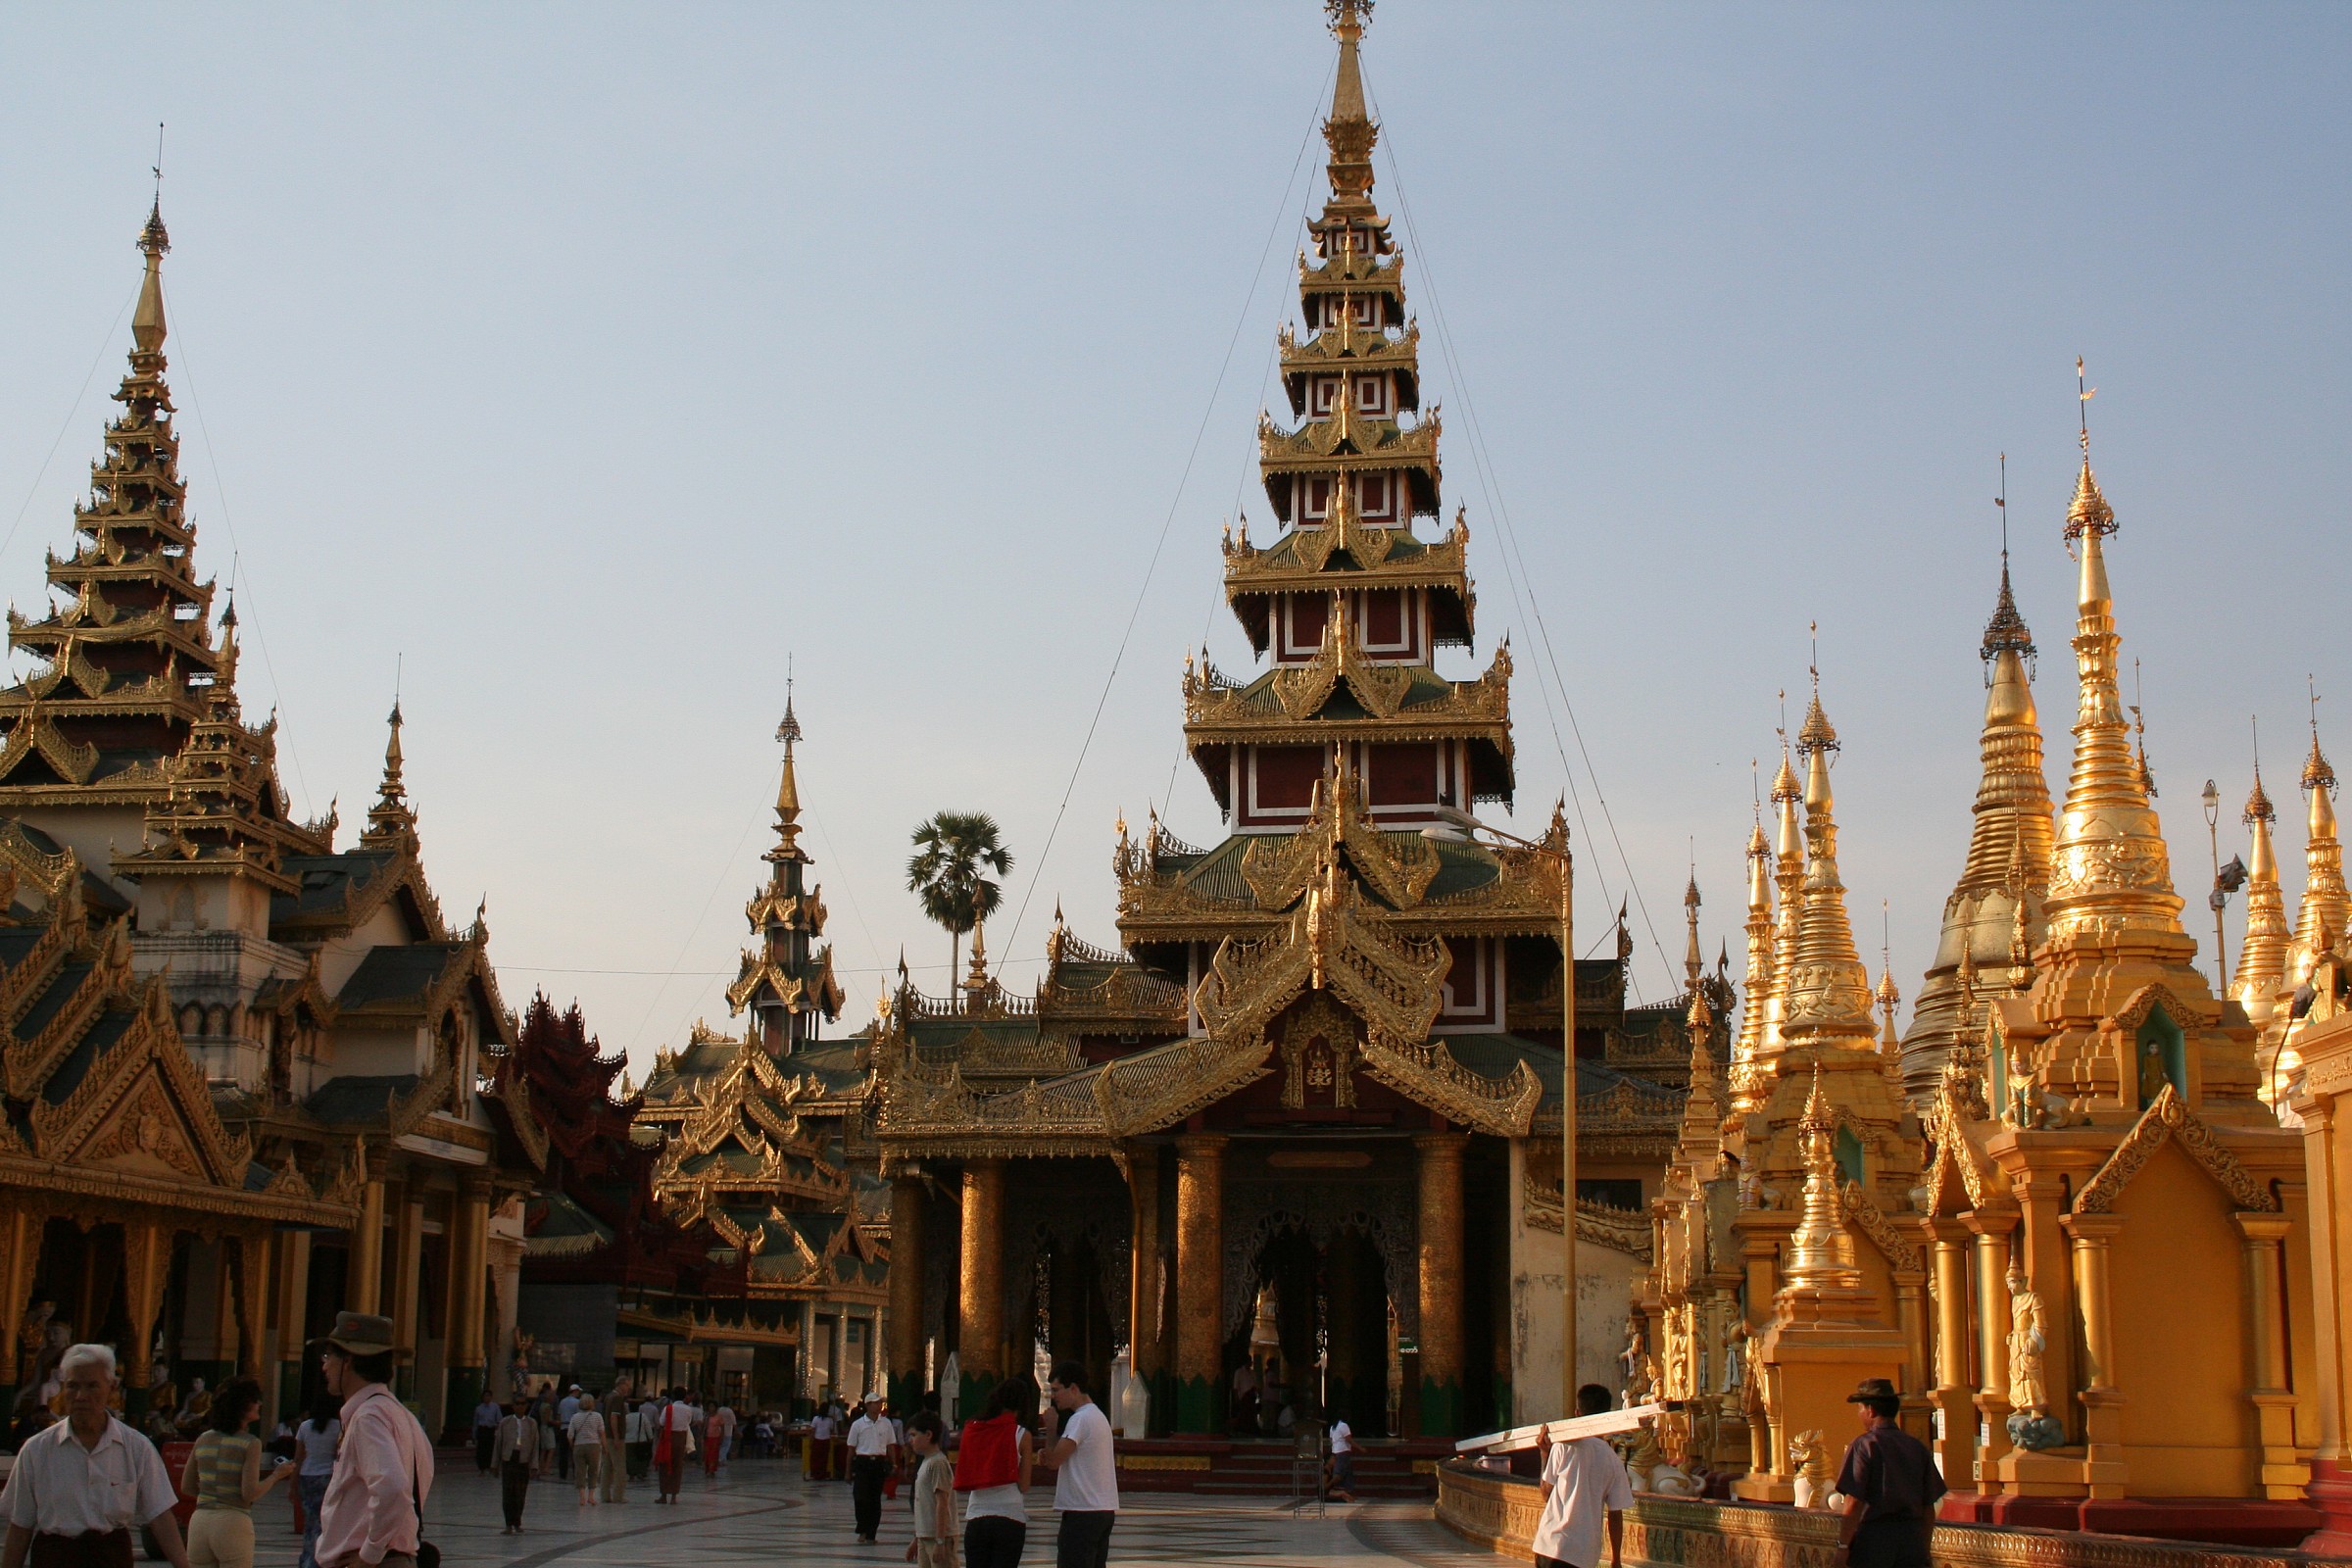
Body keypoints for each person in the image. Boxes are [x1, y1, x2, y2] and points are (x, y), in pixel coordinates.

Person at [0, 1343, 189, 1568]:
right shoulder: (37, 1449)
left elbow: (160, 1516)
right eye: (72, 1386)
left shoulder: (136, 1447)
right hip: (55, 1559)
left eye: (92, 1386)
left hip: (110, 1558)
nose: (81, 1396)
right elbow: (20, 1526)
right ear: (63, 1388)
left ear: (111, 1387)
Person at [312, 1312, 433, 1568]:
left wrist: (369, 1555)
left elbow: (393, 1487)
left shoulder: (368, 1417)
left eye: (328, 1357)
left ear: (348, 1359)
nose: (324, 1366)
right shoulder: (401, 1414)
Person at [180, 1378, 293, 1568]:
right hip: (233, 1522)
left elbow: (187, 1486)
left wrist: (213, 1496)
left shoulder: (203, 1439)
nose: (259, 1404)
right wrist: (276, 1475)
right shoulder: (250, 1443)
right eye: (255, 1400)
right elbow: (249, 1494)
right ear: (242, 1406)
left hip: (200, 1522)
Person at [1832, 1378, 1945, 1568]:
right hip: (1912, 1540)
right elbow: (1928, 1508)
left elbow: (1854, 1502)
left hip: (1874, 1541)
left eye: (1860, 1408)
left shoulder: (1865, 1445)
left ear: (1871, 1410)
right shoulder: (1916, 1447)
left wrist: (1843, 1547)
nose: (1859, 1414)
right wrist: (1924, 1552)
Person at [1532, 1385, 1634, 1568]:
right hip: (1582, 1554)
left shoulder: (1563, 1446)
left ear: (1577, 1413)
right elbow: (1615, 1514)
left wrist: (1544, 1454)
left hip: (1550, 1544)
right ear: (1607, 1416)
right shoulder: (1613, 1461)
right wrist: (1616, 1559)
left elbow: (1546, 1493)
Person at [1042, 1363, 1116, 1568]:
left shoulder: (1081, 1419)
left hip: (1082, 1512)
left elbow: (1054, 1462)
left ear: (1073, 1388)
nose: (1054, 1396)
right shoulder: (1098, 1416)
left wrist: (1050, 1428)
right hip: (1102, 1509)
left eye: (1057, 1390)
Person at [954, 1379, 1033, 1568]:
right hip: (1010, 1516)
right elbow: (1024, 1484)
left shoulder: (972, 1430)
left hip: (977, 1516)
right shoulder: (1022, 1435)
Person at [292, 1395, 340, 1568]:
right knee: (327, 1523)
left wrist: (293, 1485)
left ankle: (308, 1559)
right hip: (329, 1477)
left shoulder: (305, 1426)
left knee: (310, 1522)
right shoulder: (339, 1427)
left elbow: (298, 1458)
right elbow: (338, 1455)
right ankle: (323, 1559)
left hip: (307, 1476)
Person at [846, 1393, 898, 1544]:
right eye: (875, 1403)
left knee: (875, 1499)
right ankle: (862, 1528)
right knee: (861, 1497)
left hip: (878, 1463)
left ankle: (871, 1533)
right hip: (863, 1462)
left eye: (880, 1402)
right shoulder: (858, 1425)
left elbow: (890, 1445)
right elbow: (851, 1449)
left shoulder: (886, 1423)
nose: (879, 1405)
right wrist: (848, 1472)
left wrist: (893, 1463)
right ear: (868, 1405)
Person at [904, 1412, 954, 1568]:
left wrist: (940, 1540)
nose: (910, 1440)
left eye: (913, 1435)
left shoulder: (937, 1463)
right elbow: (925, 1505)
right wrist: (917, 1537)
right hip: (925, 1535)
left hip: (938, 1536)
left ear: (928, 1435)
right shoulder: (926, 1462)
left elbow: (942, 1503)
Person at [494, 1397, 537, 1534]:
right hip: (509, 1459)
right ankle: (508, 1524)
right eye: (517, 1404)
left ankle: (517, 1522)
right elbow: (498, 1444)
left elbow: (535, 1445)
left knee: (520, 1493)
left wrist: (534, 1465)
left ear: (526, 1406)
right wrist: (495, 1464)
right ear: (513, 1406)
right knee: (508, 1493)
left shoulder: (531, 1423)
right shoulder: (505, 1422)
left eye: (522, 1404)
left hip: (523, 1460)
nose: (519, 1406)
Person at [652, 1388, 695, 1504]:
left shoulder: (668, 1408)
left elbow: (661, 1423)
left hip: (668, 1438)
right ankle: (674, 1496)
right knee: (678, 1466)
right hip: (681, 1438)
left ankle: (664, 1495)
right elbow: (688, 1423)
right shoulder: (688, 1410)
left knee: (665, 1465)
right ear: (685, 1396)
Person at [567, 1393, 604, 1505]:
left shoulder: (575, 1417)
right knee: (593, 1471)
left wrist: (573, 1446)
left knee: (580, 1471)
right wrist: (605, 1447)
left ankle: (582, 1497)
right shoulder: (597, 1416)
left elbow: (570, 1435)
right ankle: (591, 1497)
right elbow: (602, 1433)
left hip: (579, 1446)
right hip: (594, 1445)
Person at [602, 1389, 630, 1504]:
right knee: (619, 1467)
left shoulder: (608, 1396)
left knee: (607, 1467)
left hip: (607, 1435)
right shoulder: (618, 1398)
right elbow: (614, 1417)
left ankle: (605, 1495)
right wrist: (617, 1437)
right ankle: (618, 1496)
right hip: (614, 1437)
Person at [1326, 1415, 1356, 1503]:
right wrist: (1360, 1448)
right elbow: (1348, 1439)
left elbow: (1331, 1440)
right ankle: (1343, 1493)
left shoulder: (1332, 1427)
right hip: (1342, 1451)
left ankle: (1347, 1492)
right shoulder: (1343, 1426)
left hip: (1336, 1451)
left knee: (1346, 1472)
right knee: (1340, 1473)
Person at [555, 1385, 581, 1482]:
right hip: (573, 1428)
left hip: (563, 1428)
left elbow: (558, 1415)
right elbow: (579, 1416)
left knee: (563, 1453)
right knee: (575, 1452)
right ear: (576, 1391)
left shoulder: (562, 1401)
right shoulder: (577, 1402)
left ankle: (563, 1474)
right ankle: (576, 1473)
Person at [471, 1394, 502, 1475]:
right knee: (481, 1450)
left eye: (488, 1396)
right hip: (482, 1430)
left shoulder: (495, 1407)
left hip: (490, 1430)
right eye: (485, 1396)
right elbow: (475, 1422)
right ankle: (482, 1468)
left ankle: (491, 1467)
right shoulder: (479, 1409)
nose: (487, 1398)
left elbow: (499, 1419)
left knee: (490, 1449)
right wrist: (474, 1435)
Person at [808, 1401, 835, 1482]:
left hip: (817, 1440)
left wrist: (811, 1441)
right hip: (826, 1441)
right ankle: (822, 1474)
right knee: (824, 1458)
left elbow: (813, 1431)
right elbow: (831, 1430)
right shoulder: (830, 1420)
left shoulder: (816, 1419)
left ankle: (815, 1474)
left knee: (815, 1458)